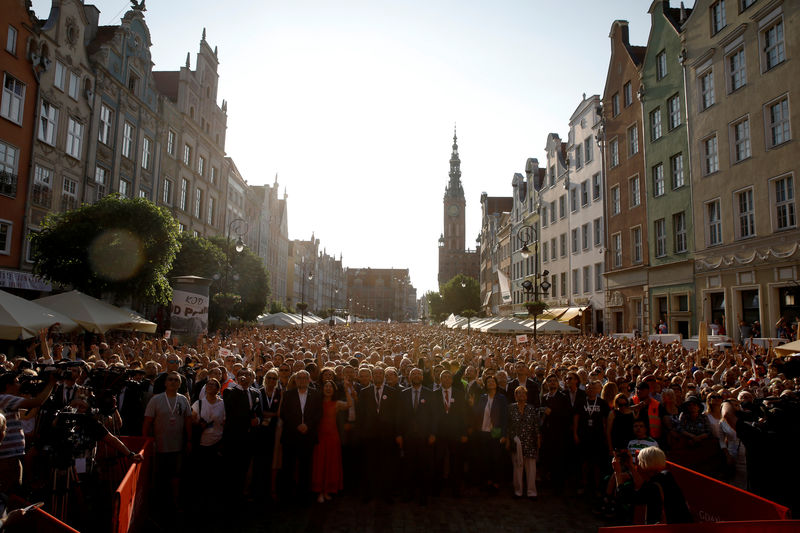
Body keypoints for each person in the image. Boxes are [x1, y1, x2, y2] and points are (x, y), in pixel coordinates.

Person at [142, 370, 192, 519]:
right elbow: (147, 423)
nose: (173, 382)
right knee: (158, 477)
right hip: (159, 446)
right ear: (165, 383)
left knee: (176, 476)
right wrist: (146, 442)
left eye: (176, 380)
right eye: (170, 379)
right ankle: (157, 505)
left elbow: (188, 421)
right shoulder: (155, 400)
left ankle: (175, 504)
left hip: (177, 446)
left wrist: (189, 440)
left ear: (180, 384)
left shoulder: (183, 400)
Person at [0, 370, 57, 494]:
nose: (19, 385)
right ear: (7, 386)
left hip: (10, 455)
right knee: (13, 492)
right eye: (16, 382)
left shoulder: (6, 400)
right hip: (9, 457)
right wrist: (51, 383)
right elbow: (37, 402)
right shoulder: (5, 398)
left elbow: (27, 412)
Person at [279, 370, 322, 503]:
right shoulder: (288, 394)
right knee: (288, 467)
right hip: (291, 435)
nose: (302, 380)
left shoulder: (316, 394)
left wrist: (307, 425)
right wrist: (297, 425)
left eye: (304, 378)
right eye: (299, 378)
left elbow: (318, 413)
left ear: (309, 380)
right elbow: (284, 413)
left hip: (308, 435)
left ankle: (303, 496)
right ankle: (287, 496)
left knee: (305, 467)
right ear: (295, 380)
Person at [396, 367, 436, 504]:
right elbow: (399, 417)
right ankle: (409, 493)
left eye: (419, 373)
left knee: (424, 467)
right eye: (413, 374)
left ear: (422, 377)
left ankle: (423, 495)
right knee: (408, 467)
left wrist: (432, 433)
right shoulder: (403, 394)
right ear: (409, 377)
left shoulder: (430, 394)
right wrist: (399, 434)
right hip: (408, 437)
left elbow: (434, 417)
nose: (416, 376)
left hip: (425, 436)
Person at [311, 378, 352, 503]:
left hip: (333, 436)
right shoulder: (317, 402)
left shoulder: (337, 403)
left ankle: (328, 490)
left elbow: (349, 404)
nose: (328, 389)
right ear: (322, 389)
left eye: (331, 387)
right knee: (320, 463)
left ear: (334, 390)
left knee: (331, 462)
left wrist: (347, 390)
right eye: (326, 387)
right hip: (320, 435)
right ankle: (319, 491)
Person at [627, 447, 692, 524]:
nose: (638, 465)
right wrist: (630, 466)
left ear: (646, 462)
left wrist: (617, 472)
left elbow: (630, 497)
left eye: (639, 461)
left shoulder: (655, 484)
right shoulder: (666, 476)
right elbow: (642, 486)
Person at [432, 369, 468, 497]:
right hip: (440, 433)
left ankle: (456, 488)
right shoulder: (434, 394)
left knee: (456, 461)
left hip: (455, 433)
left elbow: (463, 415)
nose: (446, 379)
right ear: (440, 380)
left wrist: (464, 433)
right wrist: (432, 433)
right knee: (439, 460)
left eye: (448, 377)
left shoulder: (458, 394)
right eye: (444, 377)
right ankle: (438, 487)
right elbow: (432, 416)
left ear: (452, 380)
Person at [473, 374, 507, 492]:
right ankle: (487, 481)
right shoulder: (482, 397)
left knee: (496, 458)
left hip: (496, 431)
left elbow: (504, 417)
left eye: (493, 381)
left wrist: (503, 434)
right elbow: (477, 413)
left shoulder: (501, 398)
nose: (491, 383)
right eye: (488, 382)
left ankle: (496, 482)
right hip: (483, 432)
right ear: (486, 385)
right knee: (485, 458)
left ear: (496, 384)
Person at [507, 385, 539, 499]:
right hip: (516, 442)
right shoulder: (510, 408)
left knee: (531, 468)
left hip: (530, 441)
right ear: (515, 396)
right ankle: (518, 491)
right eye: (518, 393)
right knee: (517, 467)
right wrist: (508, 440)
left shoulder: (531, 408)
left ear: (526, 396)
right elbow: (508, 425)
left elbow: (536, 425)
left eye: (523, 393)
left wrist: (538, 439)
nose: (521, 395)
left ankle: (531, 492)